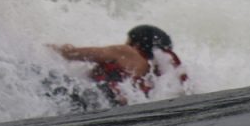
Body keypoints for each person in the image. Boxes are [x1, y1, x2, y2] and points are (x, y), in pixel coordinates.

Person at [50, 24, 189, 106]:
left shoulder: (126, 52)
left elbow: (72, 54)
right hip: (118, 105)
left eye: (127, 40)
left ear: (137, 43)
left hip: (98, 98)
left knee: (48, 76)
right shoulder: (157, 71)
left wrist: (42, 50)